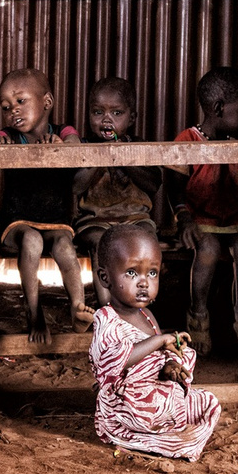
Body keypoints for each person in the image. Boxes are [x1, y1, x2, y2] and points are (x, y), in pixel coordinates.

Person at [88, 222, 220, 461]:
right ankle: (150, 436)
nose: (143, 282)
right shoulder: (106, 318)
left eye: (152, 273)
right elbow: (115, 361)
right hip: (126, 405)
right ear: (104, 277)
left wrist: (171, 365)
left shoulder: (147, 316)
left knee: (208, 403)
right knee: (145, 416)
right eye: (131, 272)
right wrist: (159, 340)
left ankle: (166, 429)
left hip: (155, 394)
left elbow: (159, 357)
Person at [166, 67, 238, 354]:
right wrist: (183, 218)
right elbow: (174, 185)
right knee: (209, 249)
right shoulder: (187, 140)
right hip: (200, 220)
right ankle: (198, 316)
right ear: (218, 108)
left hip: (237, 220)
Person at [0, 69, 85, 343]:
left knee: (65, 249)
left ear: (47, 102)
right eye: (6, 106)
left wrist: (61, 146)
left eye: (21, 101)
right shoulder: (9, 135)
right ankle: (33, 312)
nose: (13, 111)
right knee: (32, 241)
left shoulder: (63, 131)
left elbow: (76, 147)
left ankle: (78, 309)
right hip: (17, 221)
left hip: (55, 220)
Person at [72, 77, 159, 308]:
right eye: (98, 112)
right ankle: (108, 310)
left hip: (135, 218)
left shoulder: (140, 146)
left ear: (131, 118)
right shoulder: (83, 146)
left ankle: (140, 305)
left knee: (146, 242)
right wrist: (99, 156)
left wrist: (124, 157)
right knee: (101, 245)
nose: (106, 120)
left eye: (117, 113)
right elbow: (76, 187)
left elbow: (153, 185)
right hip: (94, 220)